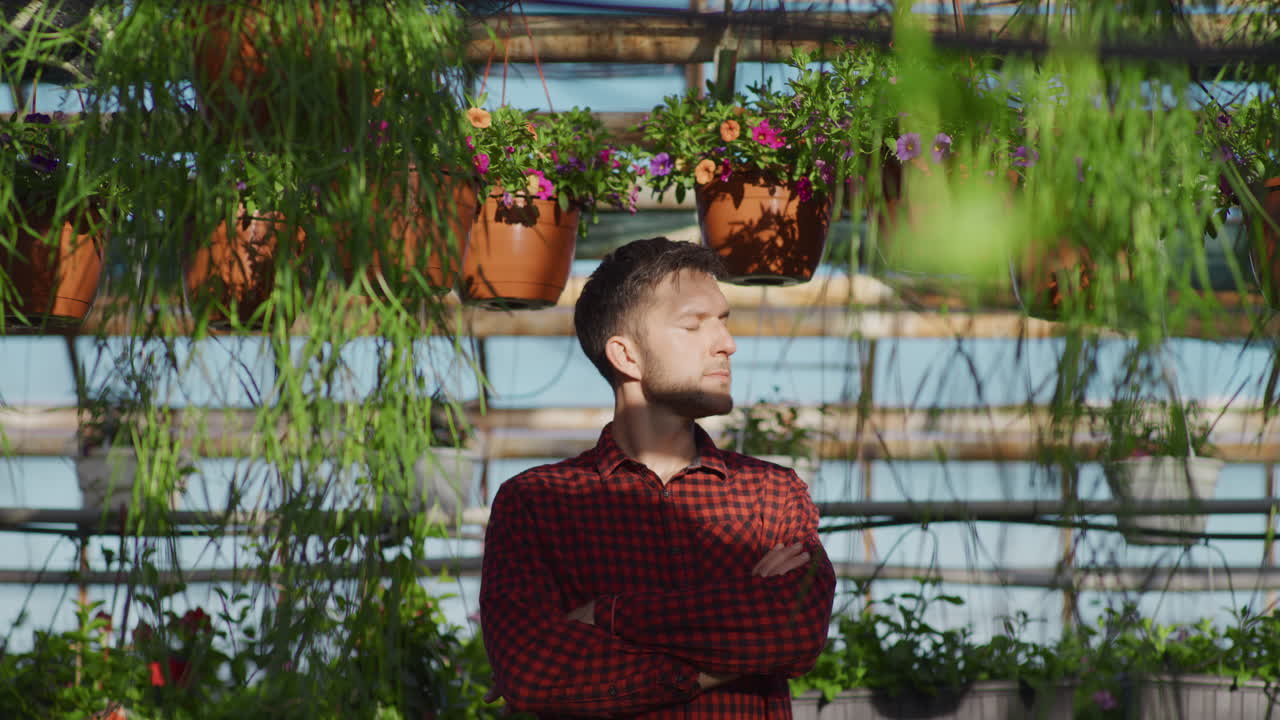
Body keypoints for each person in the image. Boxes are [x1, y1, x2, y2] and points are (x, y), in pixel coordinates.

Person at [480, 237, 836, 719]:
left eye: (724, 321)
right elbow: (534, 674)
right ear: (626, 356)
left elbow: (795, 628)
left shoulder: (772, 493)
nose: (727, 343)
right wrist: (719, 658)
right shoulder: (538, 503)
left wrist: (608, 615)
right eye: (694, 324)